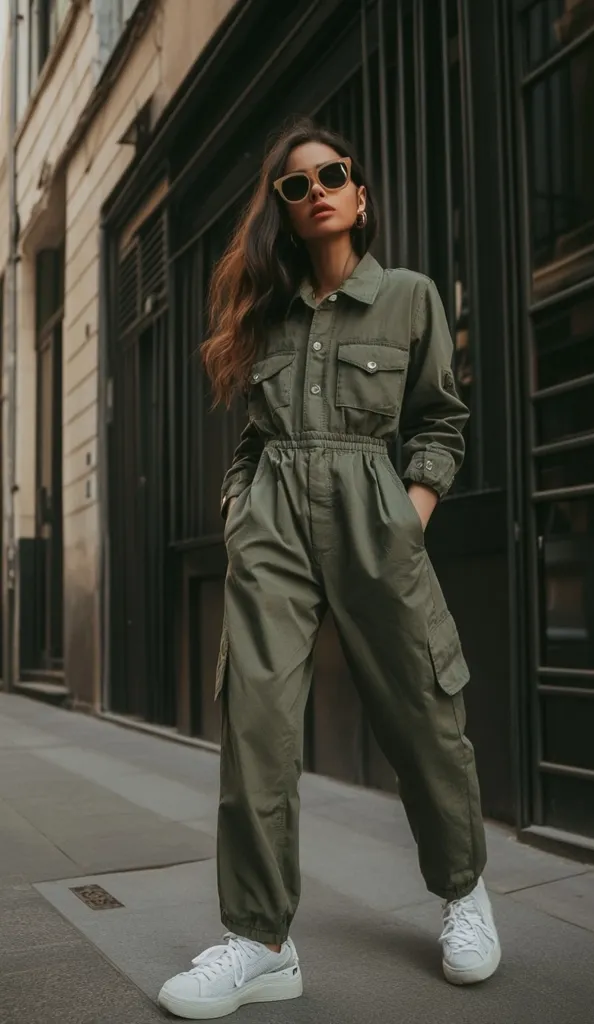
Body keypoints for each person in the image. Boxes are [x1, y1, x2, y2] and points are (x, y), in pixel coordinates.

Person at [158, 119, 500, 1020]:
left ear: (360, 195)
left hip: (373, 516)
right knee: (258, 719)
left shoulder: (411, 298)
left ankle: (463, 891)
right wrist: (240, 511)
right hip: (273, 516)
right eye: (294, 186)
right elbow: (253, 439)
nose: (314, 193)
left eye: (330, 177)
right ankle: (262, 943)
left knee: (424, 708)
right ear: (283, 208)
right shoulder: (266, 315)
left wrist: (408, 517)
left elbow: (440, 423)